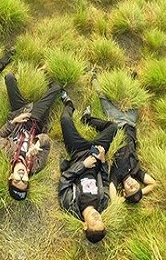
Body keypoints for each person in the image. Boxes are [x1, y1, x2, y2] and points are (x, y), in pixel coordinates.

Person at [85, 74, 156, 203]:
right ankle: (133, 78)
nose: (131, 184)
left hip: (117, 123)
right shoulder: (136, 171)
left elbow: (113, 197)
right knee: (136, 97)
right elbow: (153, 184)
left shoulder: (116, 175)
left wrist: (123, 199)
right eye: (135, 185)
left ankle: (93, 76)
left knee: (103, 98)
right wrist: (138, 192)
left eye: (129, 188)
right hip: (131, 123)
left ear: (123, 191)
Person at [58, 91, 117, 244]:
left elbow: (64, 180)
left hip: (77, 153)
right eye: (100, 220)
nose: (98, 217)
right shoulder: (103, 203)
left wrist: (82, 165)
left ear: (85, 226)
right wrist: (103, 161)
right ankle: (87, 119)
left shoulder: (70, 206)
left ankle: (69, 104)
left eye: (94, 222)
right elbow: (104, 180)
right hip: (95, 154)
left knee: (65, 120)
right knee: (113, 127)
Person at [0, 74, 61, 201]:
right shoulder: (36, 165)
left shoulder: (7, 154)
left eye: (16, 181)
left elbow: (0, 136)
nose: (21, 177)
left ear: (10, 177)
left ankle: (36, 79)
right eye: (24, 182)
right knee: (57, 88)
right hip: (36, 121)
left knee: (9, 78)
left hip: (19, 114)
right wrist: (37, 143)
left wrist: (14, 121)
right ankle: (46, 87)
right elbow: (47, 143)